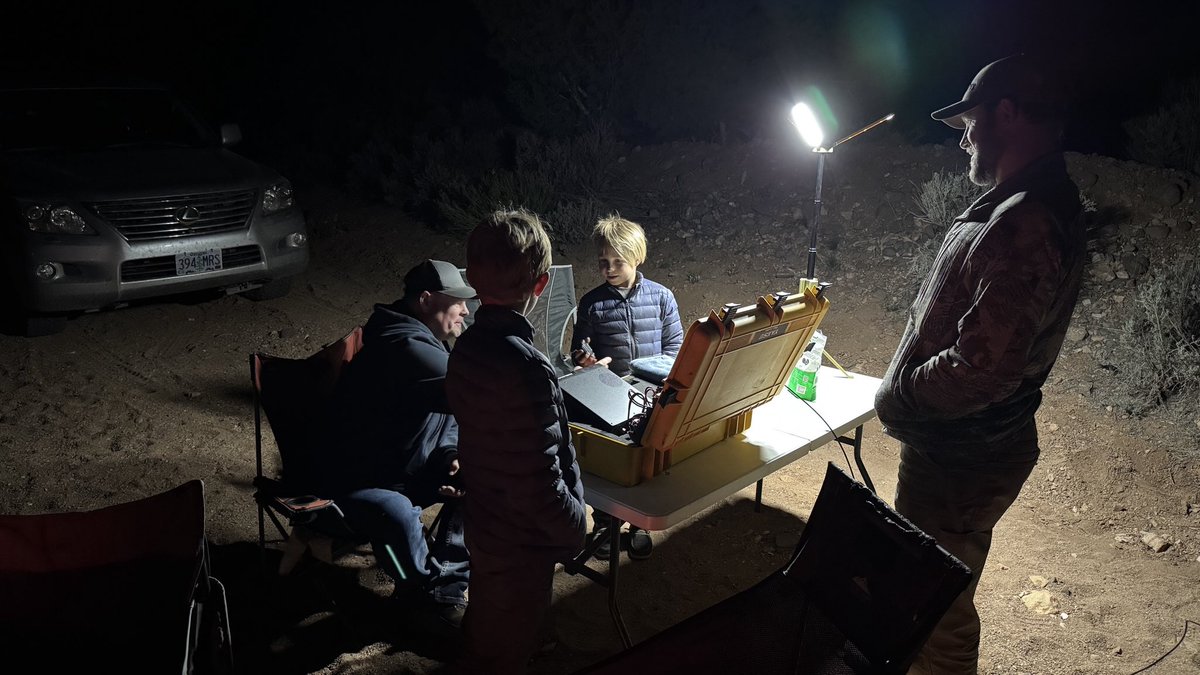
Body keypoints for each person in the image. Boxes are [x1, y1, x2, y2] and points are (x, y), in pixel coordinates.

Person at [874, 54, 1085, 674]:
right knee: (926, 596)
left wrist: (903, 396)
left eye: (970, 123)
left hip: (961, 457)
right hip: (962, 451)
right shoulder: (1024, 205)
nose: (964, 139)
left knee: (935, 611)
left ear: (1007, 113)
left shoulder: (1025, 222)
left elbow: (983, 368)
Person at [446, 209, 588, 674]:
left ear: (472, 279)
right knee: (505, 643)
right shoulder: (526, 367)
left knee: (489, 620)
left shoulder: (466, 348)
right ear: (541, 284)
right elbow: (538, 482)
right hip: (522, 541)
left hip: (487, 523)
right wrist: (576, 524)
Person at [317, 259, 474, 629]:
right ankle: (413, 589)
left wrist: (450, 455)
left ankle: (443, 592)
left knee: (478, 483)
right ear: (426, 300)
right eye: (457, 302)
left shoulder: (426, 339)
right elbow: (472, 393)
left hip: (406, 469)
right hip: (360, 480)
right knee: (397, 516)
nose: (466, 311)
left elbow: (446, 420)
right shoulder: (402, 345)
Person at [570, 215, 683, 561]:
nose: (609, 269)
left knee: (646, 459)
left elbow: (675, 348)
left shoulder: (662, 297)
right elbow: (579, 350)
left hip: (651, 395)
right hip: (608, 395)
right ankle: (605, 525)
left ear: (637, 257)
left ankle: (638, 525)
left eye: (618, 261)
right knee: (610, 464)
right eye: (603, 262)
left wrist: (659, 379)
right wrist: (585, 361)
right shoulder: (592, 303)